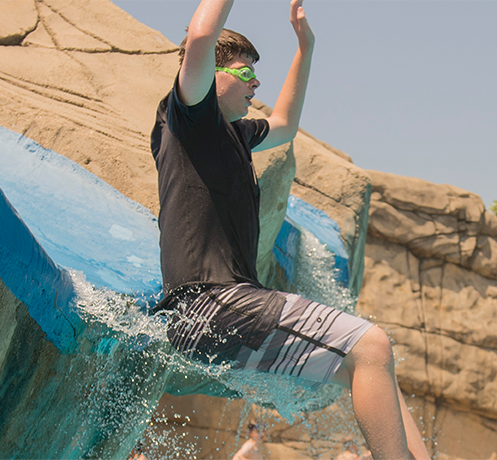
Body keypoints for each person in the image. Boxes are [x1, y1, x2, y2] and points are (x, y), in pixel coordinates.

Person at [149, 0, 430, 459]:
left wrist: (306, 46)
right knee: (371, 343)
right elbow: (201, 38)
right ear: (209, 75)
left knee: (374, 366)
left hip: (222, 312)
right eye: (244, 73)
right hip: (210, 304)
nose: (255, 82)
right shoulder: (189, 119)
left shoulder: (236, 135)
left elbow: (283, 125)